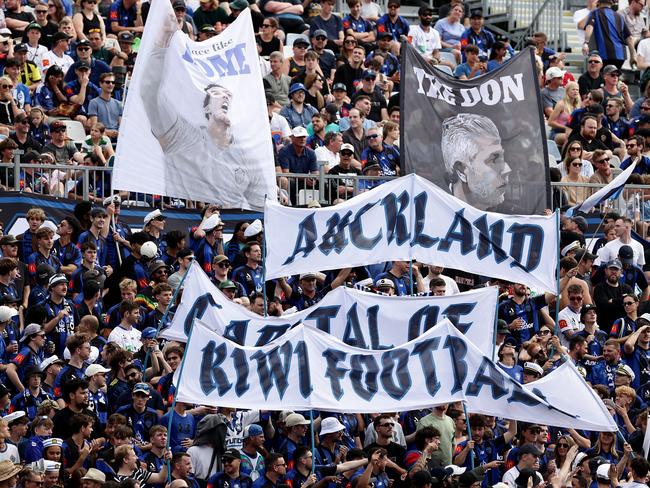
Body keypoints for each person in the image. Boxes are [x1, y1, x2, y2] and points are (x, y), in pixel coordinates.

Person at [140, 15, 270, 211]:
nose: (226, 98)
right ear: (206, 107)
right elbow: (150, 92)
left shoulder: (247, 154)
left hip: (231, 227)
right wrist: (162, 42)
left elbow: (262, 205)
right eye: (218, 94)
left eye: (228, 95)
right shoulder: (182, 135)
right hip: (187, 223)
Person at [440, 113, 512, 211]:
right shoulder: (432, 216)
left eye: (502, 159)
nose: (506, 170)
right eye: (493, 160)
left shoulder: (517, 218)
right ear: (462, 170)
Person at [582, 0, 637, 69]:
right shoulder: (619, 16)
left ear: (598, 2)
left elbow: (589, 27)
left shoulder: (595, 13)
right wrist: (633, 56)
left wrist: (586, 43)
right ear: (613, 3)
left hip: (605, 54)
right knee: (614, 76)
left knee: (604, 77)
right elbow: (629, 38)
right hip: (620, 56)